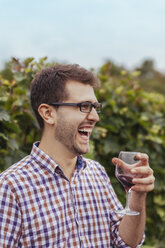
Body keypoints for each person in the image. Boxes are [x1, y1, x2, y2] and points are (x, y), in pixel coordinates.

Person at [0, 64, 155, 247]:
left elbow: (126, 242)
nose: (95, 117)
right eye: (84, 106)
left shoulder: (96, 173)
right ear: (48, 113)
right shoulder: (10, 188)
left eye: (95, 107)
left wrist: (137, 195)